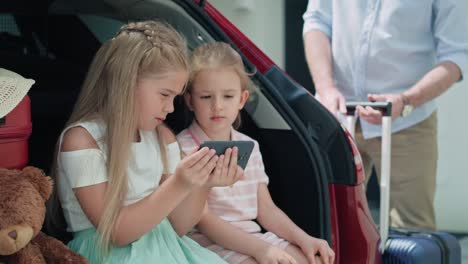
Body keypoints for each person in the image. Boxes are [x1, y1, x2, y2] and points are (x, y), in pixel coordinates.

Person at [51, 21, 243, 263]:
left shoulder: (162, 137)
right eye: (164, 94)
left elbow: (178, 227)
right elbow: (117, 234)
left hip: (168, 247)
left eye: (174, 97)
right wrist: (178, 183)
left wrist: (203, 185)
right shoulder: (82, 141)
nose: (171, 108)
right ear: (126, 82)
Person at [303, 1, 468, 230]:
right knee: (326, 222)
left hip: (406, 121)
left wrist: (407, 100)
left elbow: (456, 56)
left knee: (412, 230)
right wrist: (326, 87)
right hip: (336, 115)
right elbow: (316, 22)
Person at [177, 42, 335, 264]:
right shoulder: (183, 148)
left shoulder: (249, 145)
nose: (218, 106)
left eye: (228, 96)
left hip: (254, 239)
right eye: (206, 97)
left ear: (242, 99)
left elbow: (266, 210)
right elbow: (203, 220)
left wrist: (305, 239)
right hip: (209, 246)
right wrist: (262, 251)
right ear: (190, 101)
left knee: (312, 259)